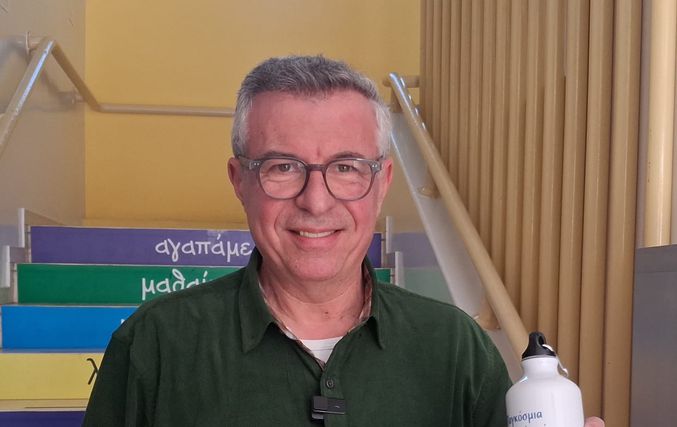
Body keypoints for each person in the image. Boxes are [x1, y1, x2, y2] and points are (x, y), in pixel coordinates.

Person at [83, 55, 605, 426]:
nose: (316, 201)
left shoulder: (456, 348)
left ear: (382, 183)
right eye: (283, 166)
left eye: (347, 167)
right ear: (239, 180)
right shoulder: (155, 345)